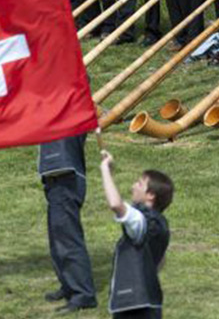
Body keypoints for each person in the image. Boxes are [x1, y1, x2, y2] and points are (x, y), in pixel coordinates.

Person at [100, 149, 173, 319]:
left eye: (139, 184)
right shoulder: (161, 223)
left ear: (150, 195)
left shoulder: (142, 220)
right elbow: (160, 261)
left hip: (135, 307)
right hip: (149, 303)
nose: (133, 186)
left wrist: (104, 169)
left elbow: (115, 204)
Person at [39, 133, 98, 313]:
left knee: (68, 241)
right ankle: (69, 285)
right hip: (55, 179)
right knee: (58, 240)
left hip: (66, 179)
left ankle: (83, 294)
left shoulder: (67, 117)